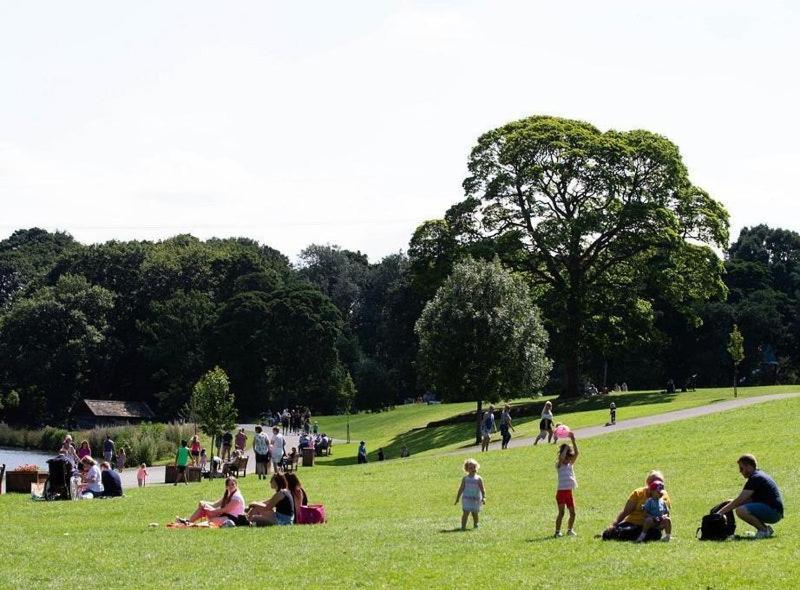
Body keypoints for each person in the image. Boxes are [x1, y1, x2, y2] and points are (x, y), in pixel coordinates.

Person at [716, 454, 784, 538]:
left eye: (741, 468)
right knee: (736, 505)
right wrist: (729, 504)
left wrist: (719, 513)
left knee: (741, 510)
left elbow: (739, 500)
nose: (740, 471)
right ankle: (765, 529)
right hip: (774, 511)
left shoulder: (755, 478)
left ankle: (764, 530)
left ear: (748, 466)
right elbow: (748, 500)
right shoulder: (758, 474)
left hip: (773, 512)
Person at [603, 470, 672, 541]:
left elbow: (665, 514)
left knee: (655, 535)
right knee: (614, 533)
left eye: (660, 482)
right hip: (632, 523)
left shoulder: (664, 496)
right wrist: (614, 525)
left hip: (651, 527)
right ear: (648, 484)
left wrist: (662, 526)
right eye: (654, 482)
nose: (658, 485)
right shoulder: (638, 493)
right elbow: (625, 512)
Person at [177, 476, 245, 526]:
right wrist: (204, 503)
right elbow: (215, 504)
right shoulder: (228, 495)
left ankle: (191, 524)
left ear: (236, 485)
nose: (231, 486)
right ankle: (189, 522)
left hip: (233, 519)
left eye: (233, 484)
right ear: (226, 487)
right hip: (225, 515)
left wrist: (212, 511)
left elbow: (226, 510)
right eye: (229, 485)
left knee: (211, 521)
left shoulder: (236, 497)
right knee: (203, 507)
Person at [554, 432, 579, 537]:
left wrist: (573, 440)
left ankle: (569, 530)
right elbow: (562, 457)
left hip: (569, 492)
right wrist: (566, 448)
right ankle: (557, 532)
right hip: (561, 492)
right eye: (566, 456)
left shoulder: (570, 464)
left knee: (573, 513)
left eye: (569, 457)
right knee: (562, 513)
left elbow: (577, 453)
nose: (568, 459)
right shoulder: (559, 464)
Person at [455, 458, 485, 530]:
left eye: (474, 467)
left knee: (475, 513)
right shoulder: (465, 479)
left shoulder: (478, 479)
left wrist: (484, 497)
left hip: (475, 499)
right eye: (470, 468)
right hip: (466, 499)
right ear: (467, 469)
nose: (473, 469)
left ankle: (476, 524)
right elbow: (461, 488)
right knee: (465, 513)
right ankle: (463, 527)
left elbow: (482, 489)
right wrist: (457, 498)